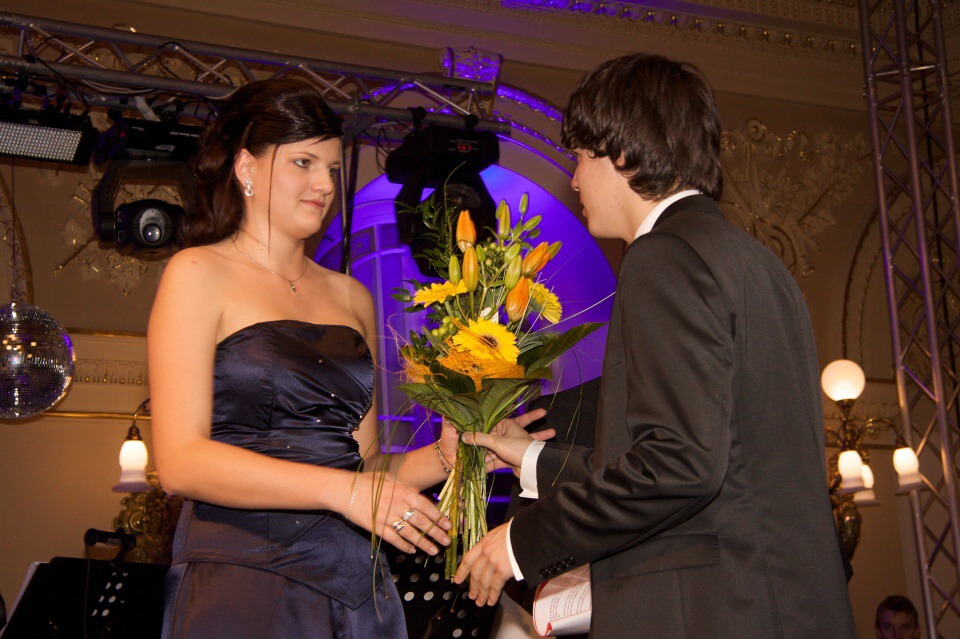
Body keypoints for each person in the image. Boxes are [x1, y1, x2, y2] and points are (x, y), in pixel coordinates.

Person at [453, 53, 857, 638]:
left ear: (621, 153)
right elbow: (717, 458)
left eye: (580, 156)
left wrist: (521, 541)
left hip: (715, 612)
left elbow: (679, 465)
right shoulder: (758, 262)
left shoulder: (662, 257)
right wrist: (532, 458)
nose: (574, 179)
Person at [149, 79, 463, 638]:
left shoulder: (352, 297)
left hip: (350, 578)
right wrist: (343, 492)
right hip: (244, 573)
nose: (325, 185)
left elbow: (363, 466)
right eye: (303, 163)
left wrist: (449, 455)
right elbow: (180, 462)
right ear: (246, 166)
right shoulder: (197, 274)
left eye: (333, 169)